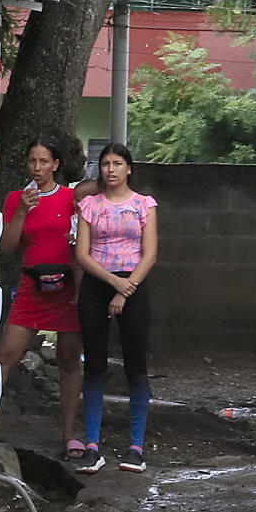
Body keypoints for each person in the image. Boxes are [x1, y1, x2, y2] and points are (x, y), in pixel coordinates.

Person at [0, 137, 87, 460]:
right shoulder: (16, 199)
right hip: (32, 287)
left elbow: (83, 238)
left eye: (44, 162)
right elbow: (5, 249)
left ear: (56, 165)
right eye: (32, 161)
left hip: (67, 288)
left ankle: (70, 435)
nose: (37, 168)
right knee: (6, 354)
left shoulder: (71, 199)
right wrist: (20, 211)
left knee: (69, 359)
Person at [72, 143, 158, 474]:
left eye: (117, 163)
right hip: (97, 283)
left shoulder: (144, 205)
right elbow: (82, 253)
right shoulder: (90, 205)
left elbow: (149, 254)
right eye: (106, 163)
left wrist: (126, 287)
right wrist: (113, 283)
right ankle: (92, 445)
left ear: (129, 169)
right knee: (93, 363)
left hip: (134, 284)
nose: (110, 169)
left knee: (135, 364)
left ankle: (136, 446)